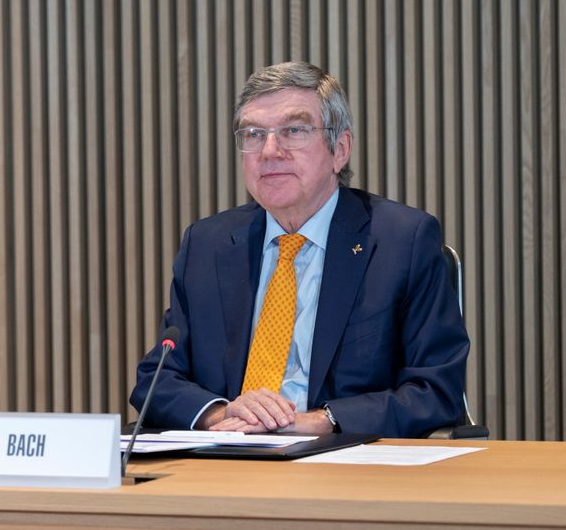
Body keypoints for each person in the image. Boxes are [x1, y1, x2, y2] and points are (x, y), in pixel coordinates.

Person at [130, 61, 469, 438]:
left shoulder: (401, 241)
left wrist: (317, 422)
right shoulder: (207, 246)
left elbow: (435, 391)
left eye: (293, 130)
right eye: (254, 134)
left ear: (340, 149)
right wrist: (221, 414)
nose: (270, 150)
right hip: (225, 458)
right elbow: (157, 380)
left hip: (346, 466)